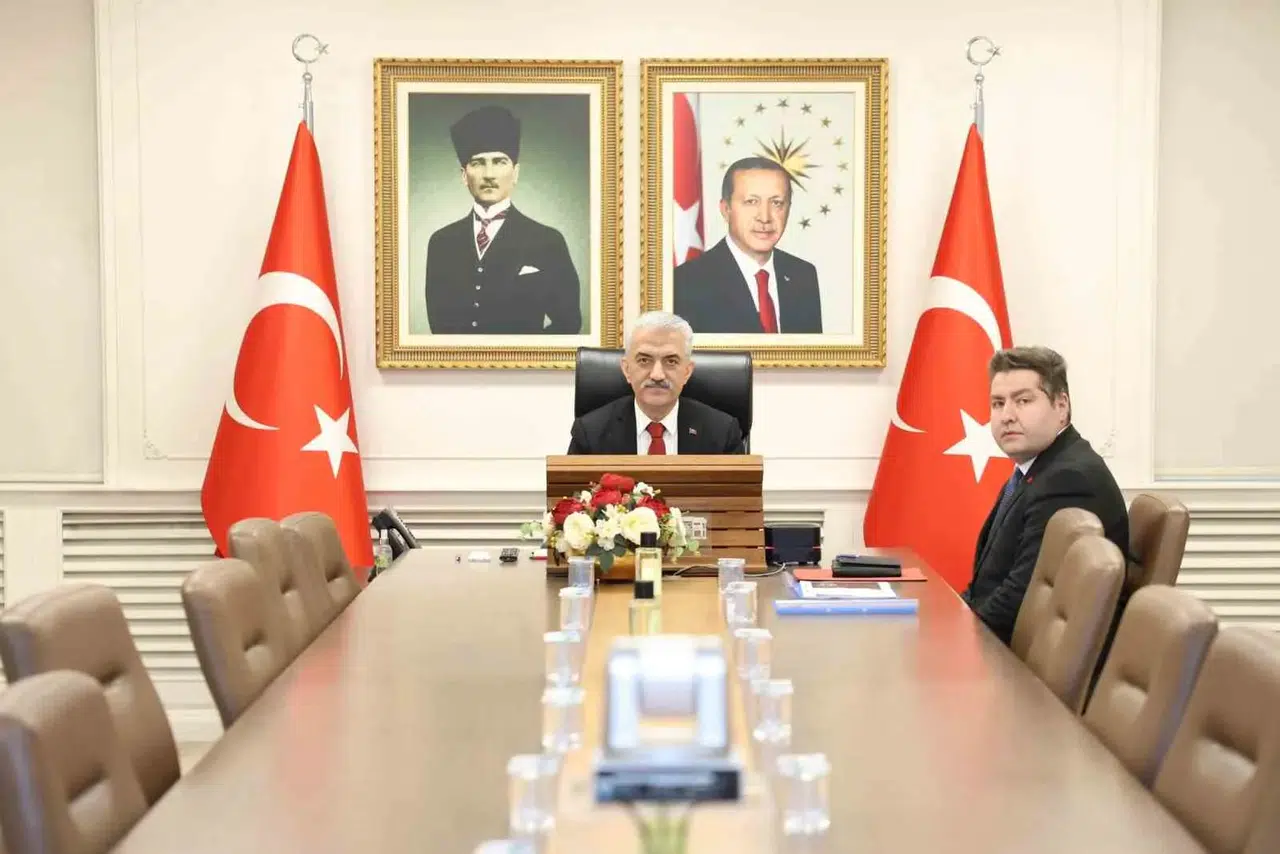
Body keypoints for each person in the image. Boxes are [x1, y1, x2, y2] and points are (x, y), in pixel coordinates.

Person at [962, 346, 1130, 645]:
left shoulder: (1068, 479)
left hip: (1019, 660)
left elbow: (1021, 598)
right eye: (998, 403)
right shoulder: (1039, 467)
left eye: (1023, 401)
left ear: (1061, 407)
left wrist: (955, 635)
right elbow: (988, 585)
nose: (1006, 416)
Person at [423, 105, 581, 334]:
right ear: (464, 175)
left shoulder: (548, 241)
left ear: (515, 173)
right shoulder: (441, 243)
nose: (489, 174)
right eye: (478, 163)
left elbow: (569, 323)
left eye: (500, 162)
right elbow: (438, 329)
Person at [674, 157, 822, 334]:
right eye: (751, 202)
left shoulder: (803, 275)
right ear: (726, 209)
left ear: (788, 209)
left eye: (777, 203)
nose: (765, 217)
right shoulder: (687, 282)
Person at [567, 312, 746, 455]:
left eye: (671, 361)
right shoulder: (590, 433)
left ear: (687, 371)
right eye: (644, 360)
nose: (657, 375)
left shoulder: (722, 432)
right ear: (627, 369)